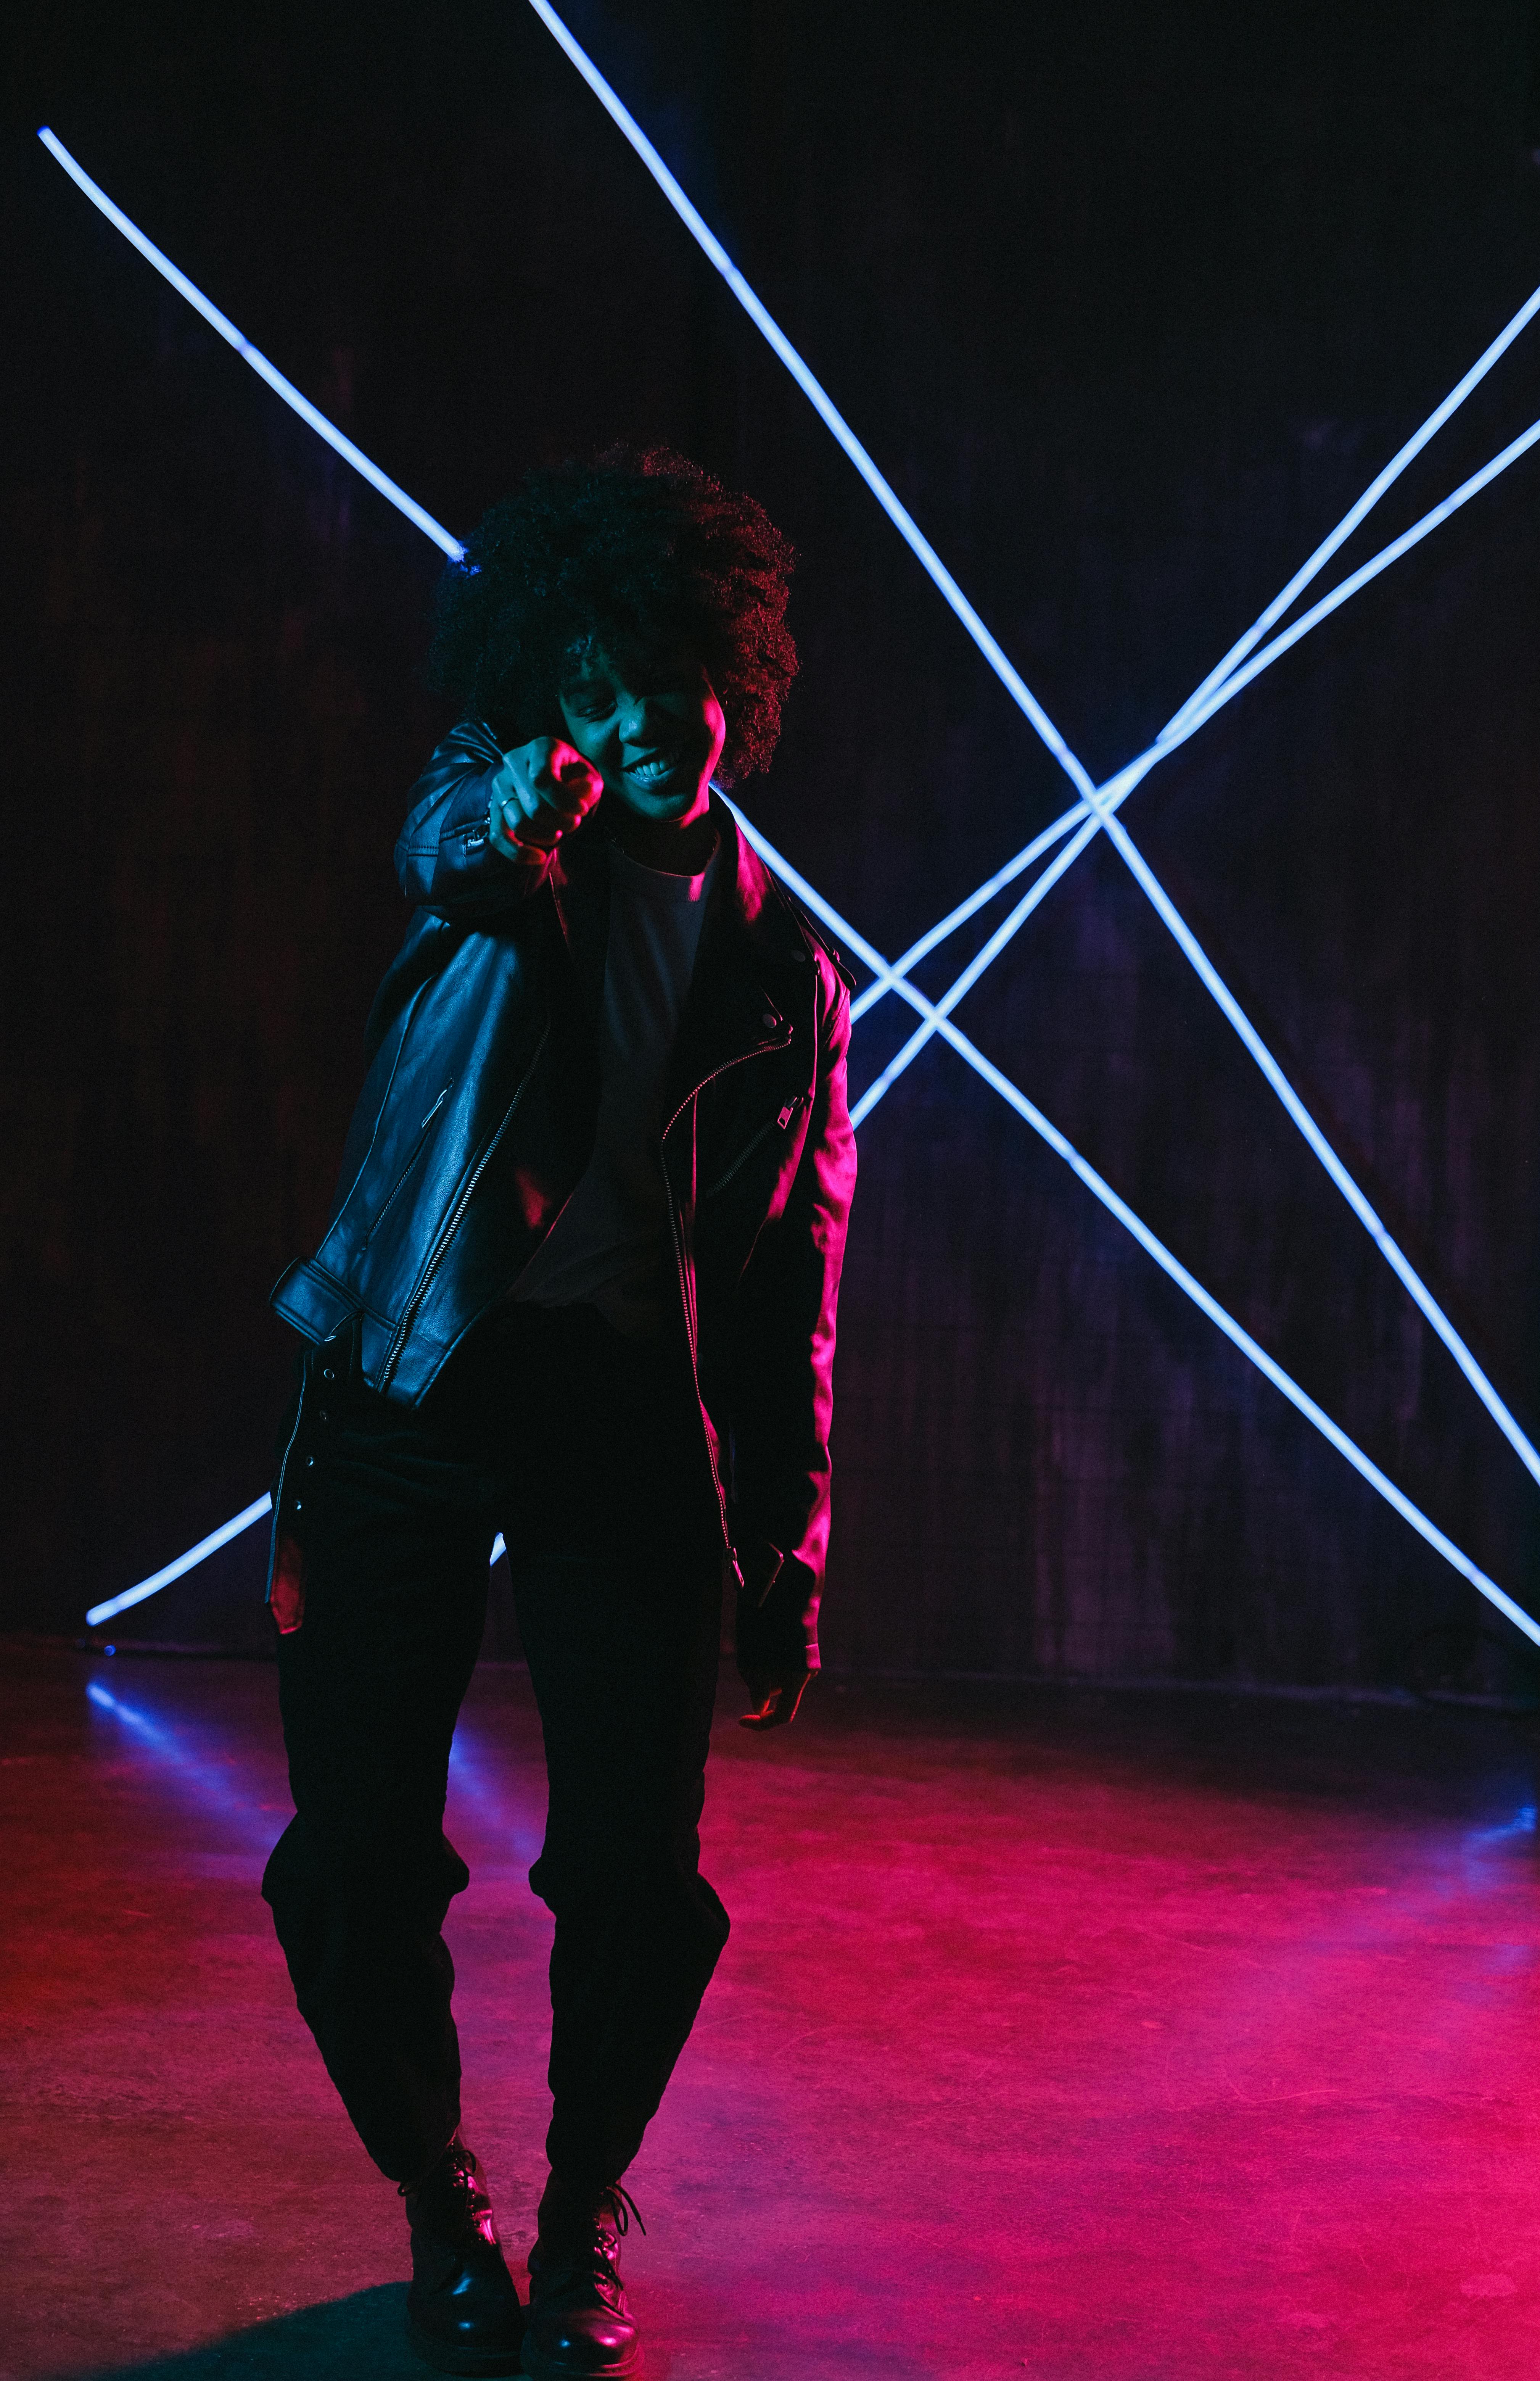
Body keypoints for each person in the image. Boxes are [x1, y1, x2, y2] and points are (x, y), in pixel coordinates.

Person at [258, 448, 856, 2379]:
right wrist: (516, 796)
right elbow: (450, 838)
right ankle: (439, 2192)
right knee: (353, 1858)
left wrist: (789, 1543)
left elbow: (792, 1284)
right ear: (551, 694)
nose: (638, 721)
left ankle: (588, 2191)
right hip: (414, 1384)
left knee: (632, 1869)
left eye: (668, 678)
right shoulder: (500, 847)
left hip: (623, 1412)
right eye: (589, 685)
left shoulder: (780, 968)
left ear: (733, 682)